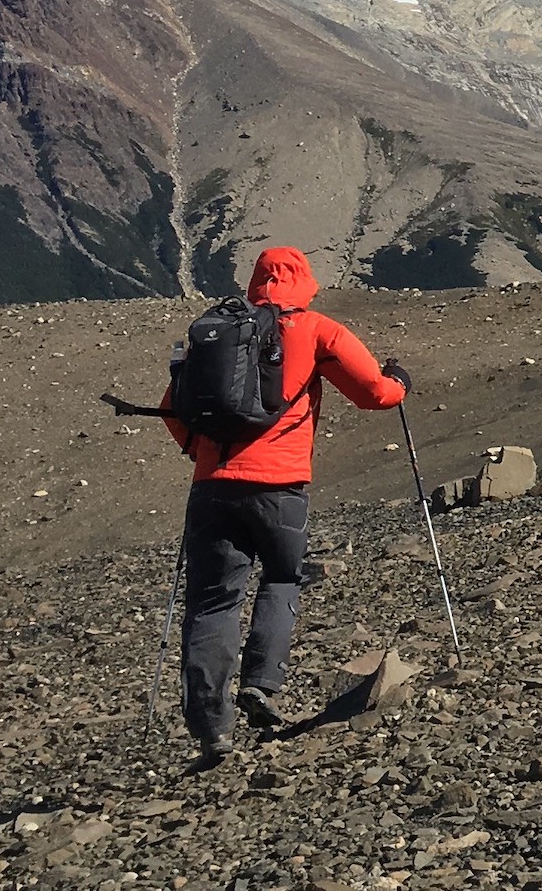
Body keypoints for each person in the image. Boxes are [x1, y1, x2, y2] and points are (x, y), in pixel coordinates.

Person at [167, 246, 407, 759]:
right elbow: (374, 394)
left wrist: (201, 453)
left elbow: (174, 406)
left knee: (213, 602)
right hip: (282, 487)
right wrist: (400, 382)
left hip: (212, 487)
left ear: (255, 281)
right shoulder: (319, 330)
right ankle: (261, 683)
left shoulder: (215, 331)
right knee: (280, 578)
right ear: (306, 282)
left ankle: (212, 727)